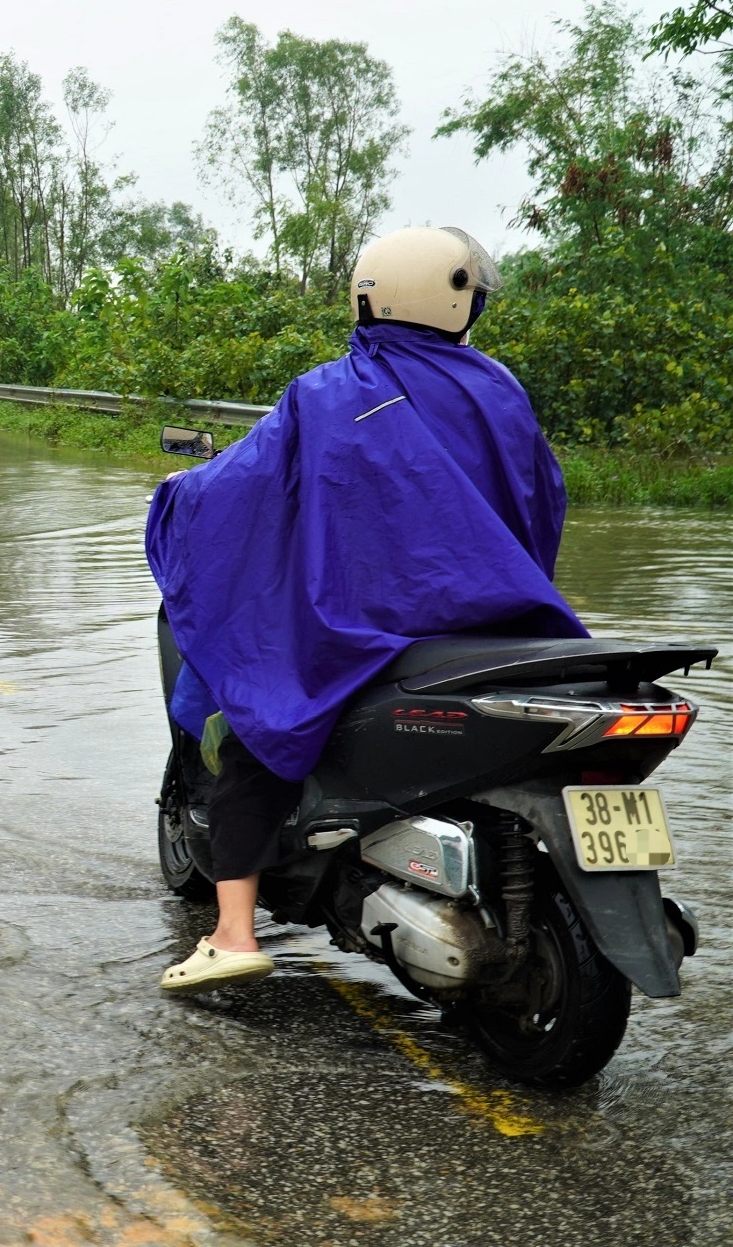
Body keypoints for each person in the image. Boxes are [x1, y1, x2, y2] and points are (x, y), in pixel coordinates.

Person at [146, 226, 588, 994]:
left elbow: (238, 489)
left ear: (368, 295)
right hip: (501, 624)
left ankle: (232, 932)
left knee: (261, 728)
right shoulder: (501, 390)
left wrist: (175, 498)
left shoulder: (331, 393)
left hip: (375, 625)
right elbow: (543, 501)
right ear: (460, 301)